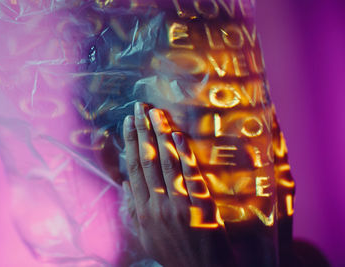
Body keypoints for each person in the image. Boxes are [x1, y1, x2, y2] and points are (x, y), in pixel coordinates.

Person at [121, 102, 331, 267]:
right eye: (202, 123)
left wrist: (279, 254)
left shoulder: (306, 258)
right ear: (119, 156)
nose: (250, 155)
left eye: (250, 120)